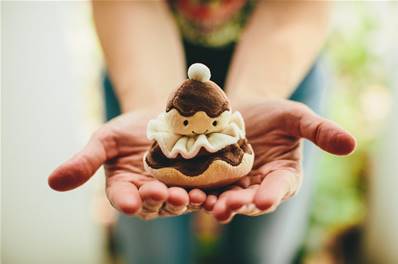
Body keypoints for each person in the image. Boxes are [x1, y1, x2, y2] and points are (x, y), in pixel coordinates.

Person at [48, 1, 356, 263]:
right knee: (154, 251)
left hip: (282, 64)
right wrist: (148, 105)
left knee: (261, 251)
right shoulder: (159, 131)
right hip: (139, 59)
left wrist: (257, 99)